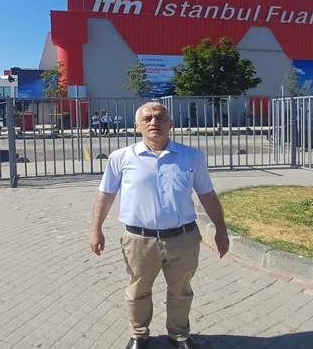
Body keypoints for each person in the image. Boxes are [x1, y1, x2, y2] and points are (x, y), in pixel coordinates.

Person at [88, 102, 229, 349]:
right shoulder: (121, 157)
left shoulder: (192, 156)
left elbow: (206, 194)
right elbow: (106, 195)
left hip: (183, 239)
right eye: (147, 118)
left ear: (170, 124)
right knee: (138, 290)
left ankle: (179, 334)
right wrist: (95, 229)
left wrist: (221, 229)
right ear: (137, 125)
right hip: (139, 240)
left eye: (161, 117)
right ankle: (139, 334)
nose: (154, 122)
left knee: (181, 290)